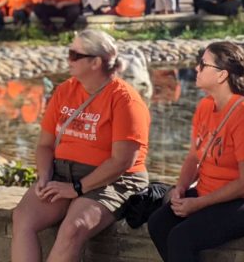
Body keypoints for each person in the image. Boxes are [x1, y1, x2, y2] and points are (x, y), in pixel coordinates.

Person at [12, 29, 150, 262]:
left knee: (72, 229)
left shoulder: (125, 100)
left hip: (110, 180)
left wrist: (77, 188)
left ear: (96, 62)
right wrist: (44, 177)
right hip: (63, 173)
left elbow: (121, 162)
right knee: (22, 219)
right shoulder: (65, 90)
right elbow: (45, 145)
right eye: (69, 52)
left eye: (75, 55)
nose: (68, 59)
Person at [147, 41, 244, 262]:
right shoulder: (205, 105)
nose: (196, 69)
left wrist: (199, 204)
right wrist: (180, 188)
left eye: (203, 64)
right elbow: (193, 157)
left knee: (182, 238)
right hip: (208, 193)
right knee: (158, 223)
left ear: (221, 75)